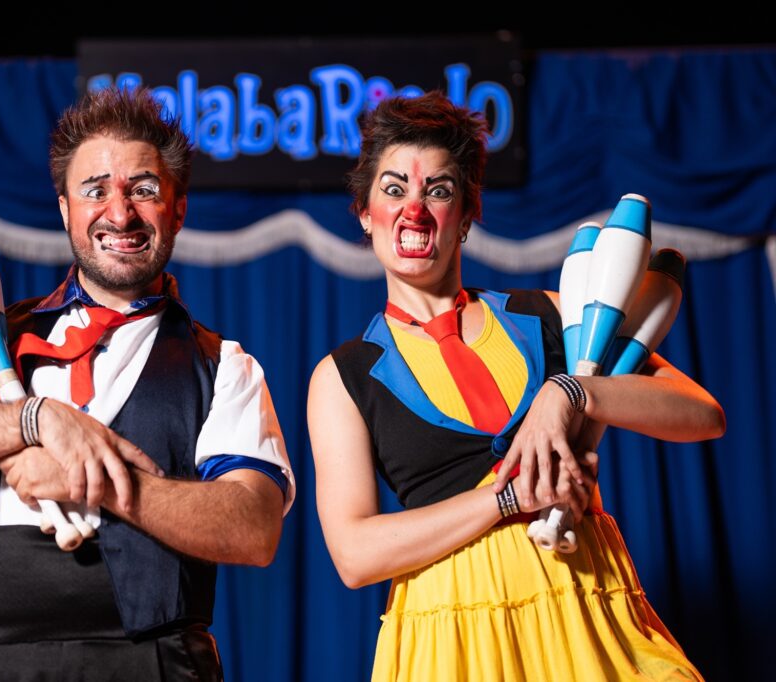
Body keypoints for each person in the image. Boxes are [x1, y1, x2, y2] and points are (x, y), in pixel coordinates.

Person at [0, 87, 294, 681]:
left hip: (156, 663)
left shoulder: (225, 364)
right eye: (95, 191)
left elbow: (254, 527)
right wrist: (32, 419)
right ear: (65, 209)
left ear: (178, 208)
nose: (119, 214)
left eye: (143, 189)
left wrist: (96, 482)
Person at [307, 91, 725, 681]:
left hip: (585, 608)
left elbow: (703, 413)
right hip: (451, 637)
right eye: (394, 189)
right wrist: (507, 499)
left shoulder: (549, 316)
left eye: (440, 191)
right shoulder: (343, 377)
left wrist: (569, 392)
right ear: (365, 213)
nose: (415, 210)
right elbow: (355, 555)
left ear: (468, 216)